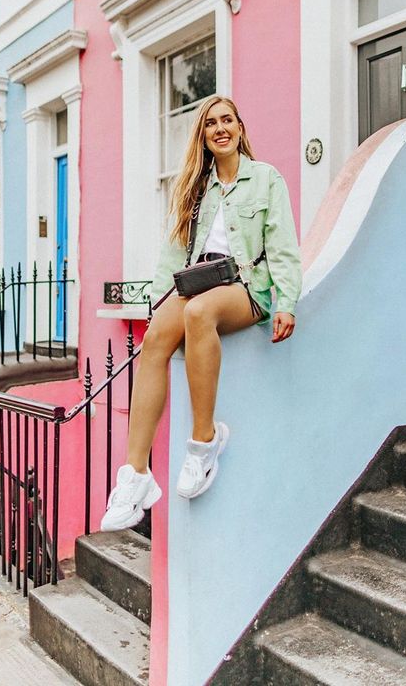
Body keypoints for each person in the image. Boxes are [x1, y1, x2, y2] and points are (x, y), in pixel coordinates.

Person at [101, 96, 302, 531]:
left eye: (227, 119)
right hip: (198, 279)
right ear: (205, 136)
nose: (220, 128)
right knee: (155, 340)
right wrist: (158, 303)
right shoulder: (196, 187)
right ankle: (135, 476)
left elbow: (283, 245)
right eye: (211, 124)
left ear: (240, 128)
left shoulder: (266, 179)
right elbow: (173, 252)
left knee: (198, 315)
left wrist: (287, 302)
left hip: (247, 285)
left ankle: (205, 442)